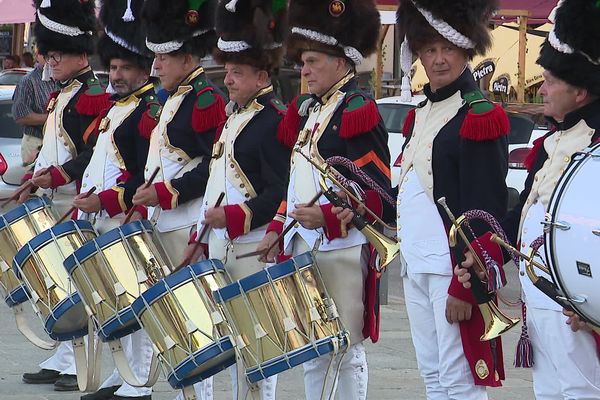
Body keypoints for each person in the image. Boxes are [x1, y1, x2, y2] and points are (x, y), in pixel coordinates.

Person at [455, 1, 600, 399]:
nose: (543, 86)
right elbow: (521, 215)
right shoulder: (549, 144)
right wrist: (490, 253)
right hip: (539, 305)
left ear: (581, 90)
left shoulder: (596, 148)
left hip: (578, 312)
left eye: (552, 80)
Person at [257, 1, 392, 399]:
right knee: (311, 350)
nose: (305, 70)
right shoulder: (308, 110)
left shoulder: (358, 109)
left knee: (344, 348)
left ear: (341, 62)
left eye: (313, 61)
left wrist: (329, 218)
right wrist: (277, 228)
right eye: (303, 62)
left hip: (342, 246)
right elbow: (293, 183)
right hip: (303, 243)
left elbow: (379, 195)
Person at [394, 1, 511, 399]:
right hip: (416, 264)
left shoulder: (479, 114)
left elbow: (487, 211)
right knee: (432, 375)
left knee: (459, 380)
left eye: (447, 48)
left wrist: (467, 285)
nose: (438, 59)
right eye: (429, 50)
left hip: (452, 272)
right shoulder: (420, 113)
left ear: (465, 50)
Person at [182, 1, 290, 399]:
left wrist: (231, 217)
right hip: (220, 244)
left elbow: (279, 191)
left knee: (259, 342)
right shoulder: (232, 117)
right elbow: (218, 181)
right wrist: (203, 234)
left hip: (252, 245)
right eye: (227, 72)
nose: (227, 80)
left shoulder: (273, 122)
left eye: (237, 73)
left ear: (262, 76)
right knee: (229, 337)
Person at [18, 0, 109, 393]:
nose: (49, 61)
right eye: (49, 54)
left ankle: (81, 361)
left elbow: (93, 154)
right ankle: (65, 353)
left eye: (57, 55)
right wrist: (39, 167)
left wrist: (59, 173)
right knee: (60, 282)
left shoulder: (91, 94)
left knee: (79, 286)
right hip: (53, 198)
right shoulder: (63, 93)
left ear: (79, 55)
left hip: (75, 200)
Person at [72, 1, 158, 399]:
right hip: (103, 216)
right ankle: (121, 372)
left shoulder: (146, 110)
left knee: (136, 300)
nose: (116, 74)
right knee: (112, 298)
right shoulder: (117, 108)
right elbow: (98, 159)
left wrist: (106, 202)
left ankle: (137, 379)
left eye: (125, 67)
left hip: (127, 218)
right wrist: (61, 176)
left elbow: (144, 173)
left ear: (144, 68)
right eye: (114, 67)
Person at [133, 0, 225, 271]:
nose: (156, 67)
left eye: (163, 58)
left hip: (186, 225)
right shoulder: (172, 98)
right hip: (161, 222)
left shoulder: (205, 101)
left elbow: (214, 168)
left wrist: (165, 192)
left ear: (186, 59)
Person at [12, 50, 58, 165]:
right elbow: (20, 116)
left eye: (54, 56)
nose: (50, 59)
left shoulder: (60, 79)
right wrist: (53, 118)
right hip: (35, 141)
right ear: (37, 56)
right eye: (46, 55)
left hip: (58, 143)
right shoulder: (28, 81)